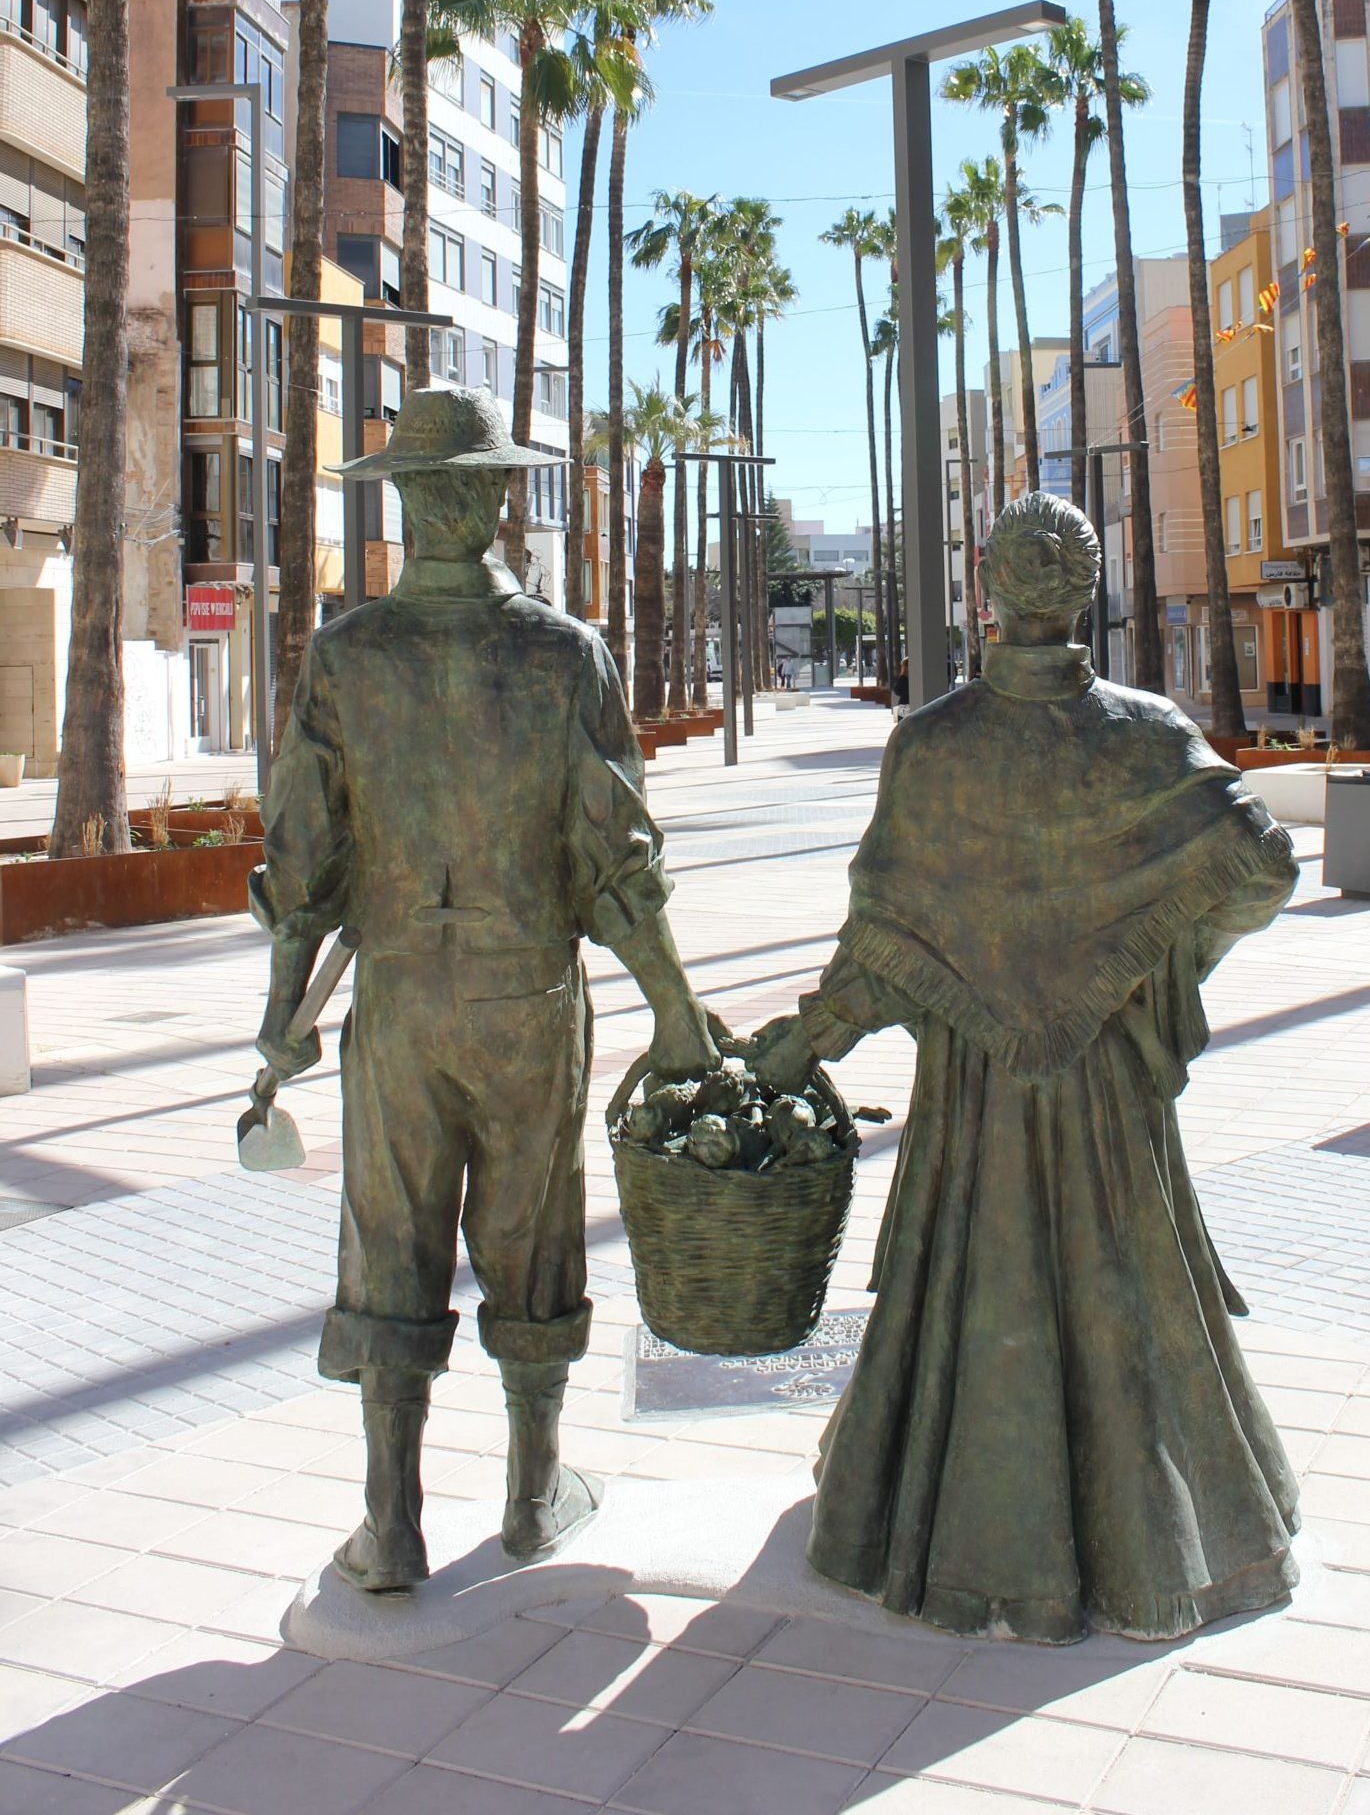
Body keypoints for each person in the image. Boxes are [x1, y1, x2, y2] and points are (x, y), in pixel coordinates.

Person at [751, 492, 1300, 1645]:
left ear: (988, 588)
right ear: (1085, 592)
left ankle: (953, 1536)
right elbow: (1260, 866)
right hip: (1110, 1085)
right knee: (1127, 1282)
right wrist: (1151, 955)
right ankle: (1159, 1546)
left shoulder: (934, 743)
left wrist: (806, 1038)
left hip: (976, 1090)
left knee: (971, 1284)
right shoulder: (1149, 733)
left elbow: (886, 941)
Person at [255, 387, 717, 1593]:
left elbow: (303, 861)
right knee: (534, 1232)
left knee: (391, 1235)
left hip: (401, 1000)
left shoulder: (347, 654)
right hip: (530, 998)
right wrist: (674, 1007)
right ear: (499, 495)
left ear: (408, 500)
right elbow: (617, 859)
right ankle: (530, 1492)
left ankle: (391, 1522)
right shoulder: (564, 654)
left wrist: (279, 1017)